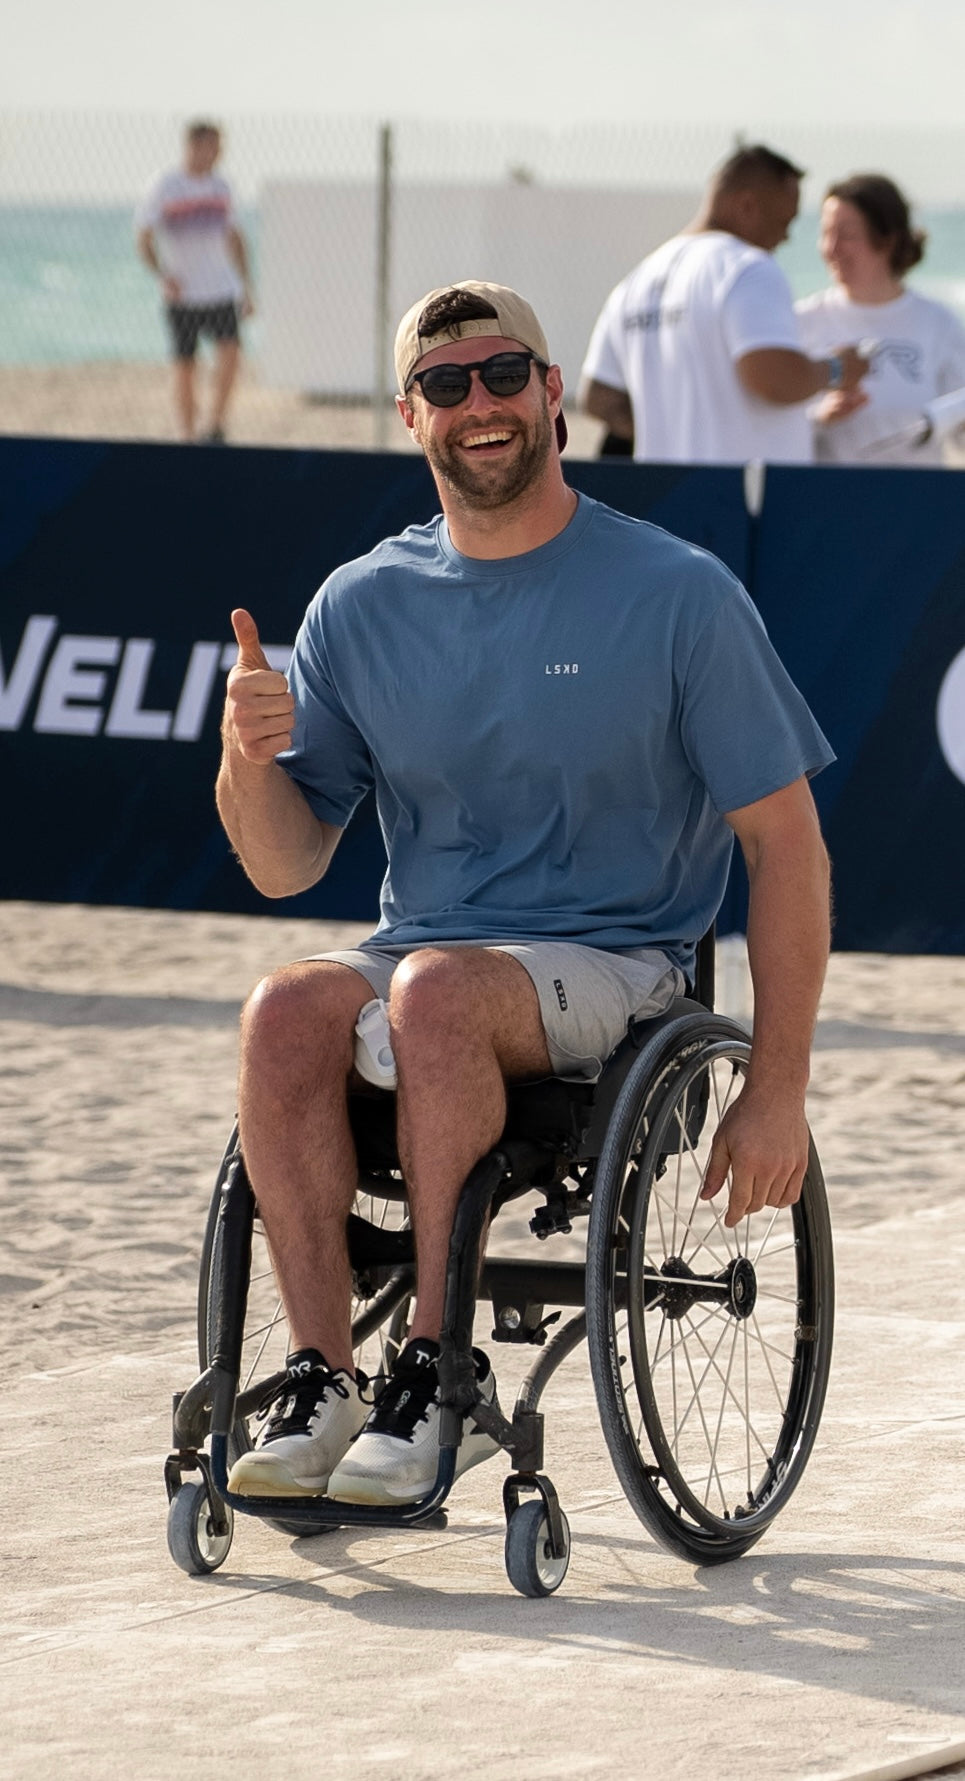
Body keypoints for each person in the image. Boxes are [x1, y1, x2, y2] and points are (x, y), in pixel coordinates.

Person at [216, 278, 834, 1507]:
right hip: (430, 951)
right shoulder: (360, 602)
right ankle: (321, 1373)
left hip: (619, 963)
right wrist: (241, 759)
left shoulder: (675, 591)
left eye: (504, 375)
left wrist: (775, 1088)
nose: (478, 404)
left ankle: (439, 1373)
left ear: (553, 392)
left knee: (440, 991)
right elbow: (287, 862)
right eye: (445, 385)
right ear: (410, 415)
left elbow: (786, 846)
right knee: (282, 1007)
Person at [579, 144, 868, 465]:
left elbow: (598, 396)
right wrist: (838, 368)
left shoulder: (635, 281)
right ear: (747, 205)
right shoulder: (746, 267)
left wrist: (674, 432)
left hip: (664, 496)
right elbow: (773, 378)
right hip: (743, 498)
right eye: (784, 221)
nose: (785, 237)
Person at [795, 173, 965, 465]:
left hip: (914, 500)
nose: (831, 248)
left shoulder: (939, 324)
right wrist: (820, 416)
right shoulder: (803, 320)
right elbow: (766, 430)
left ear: (887, 240)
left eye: (846, 236)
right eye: (826, 233)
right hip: (824, 498)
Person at [136, 120, 253, 444]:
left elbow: (236, 238)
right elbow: (144, 237)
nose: (218, 153)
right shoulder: (165, 186)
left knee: (231, 355)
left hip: (220, 290)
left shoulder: (222, 187)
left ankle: (215, 425)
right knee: (184, 366)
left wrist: (247, 286)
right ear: (194, 145)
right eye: (213, 145)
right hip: (183, 294)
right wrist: (162, 275)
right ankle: (186, 435)